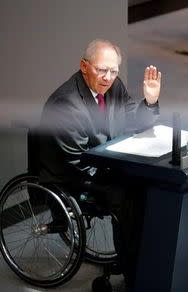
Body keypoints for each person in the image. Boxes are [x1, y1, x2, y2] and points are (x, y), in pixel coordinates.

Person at [39, 39, 162, 286]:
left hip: (103, 162)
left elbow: (136, 121)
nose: (108, 77)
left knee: (151, 184)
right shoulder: (67, 103)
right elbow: (77, 160)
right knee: (127, 196)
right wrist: (119, 172)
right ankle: (134, 273)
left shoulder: (113, 87)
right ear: (84, 66)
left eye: (114, 71)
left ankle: (147, 259)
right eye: (101, 70)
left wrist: (149, 102)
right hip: (72, 175)